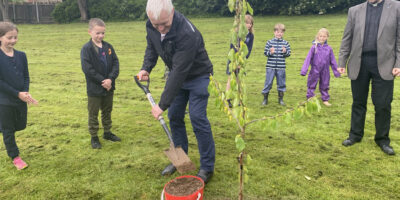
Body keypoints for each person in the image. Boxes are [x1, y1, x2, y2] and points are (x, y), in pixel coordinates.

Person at [137, 0, 215, 184]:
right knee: (175, 116)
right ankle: (181, 158)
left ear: (172, 11)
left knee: (197, 118)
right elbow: (152, 46)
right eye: (156, 25)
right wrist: (146, 67)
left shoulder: (187, 33)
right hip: (178, 76)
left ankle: (207, 168)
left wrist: (161, 104)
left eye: (165, 23)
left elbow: (179, 71)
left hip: (199, 76)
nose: (161, 28)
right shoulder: (152, 25)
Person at [338, 0, 400, 155]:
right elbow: (347, 38)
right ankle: (355, 135)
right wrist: (342, 61)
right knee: (358, 102)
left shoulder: (396, 7)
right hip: (359, 63)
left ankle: (382, 140)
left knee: (383, 104)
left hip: (385, 63)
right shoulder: (354, 11)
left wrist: (398, 62)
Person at [0, 22, 38, 170]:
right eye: (9, 37)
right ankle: (15, 157)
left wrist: (25, 92)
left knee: (20, 125)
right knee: (8, 129)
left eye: (15, 37)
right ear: (1, 38)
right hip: (4, 100)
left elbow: (26, 76)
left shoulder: (22, 56)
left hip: (21, 98)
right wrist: (17, 94)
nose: (13, 40)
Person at [81, 18, 120, 149]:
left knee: (107, 110)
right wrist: (102, 81)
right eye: (97, 33)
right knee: (93, 113)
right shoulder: (86, 49)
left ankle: (107, 133)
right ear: (90, 32)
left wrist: (110, 79)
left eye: (103, 33)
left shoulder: (108, 47)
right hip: (94, 88)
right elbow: (88, 69)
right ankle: (94, 137)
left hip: (109, 87)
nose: (100, 36)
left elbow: (115, 63)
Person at [301, 28, 341, 106]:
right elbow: (308, 59)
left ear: (327, 37)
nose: (322, 38)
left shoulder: (329, 49)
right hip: (314, 70)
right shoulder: (314, 47)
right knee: (311, 84)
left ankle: (325, 99)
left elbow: (333, 61)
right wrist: (304, 71)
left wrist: (336, 72)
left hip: (325, 70)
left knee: (325, 84)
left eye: (324, 36)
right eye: (320, 36)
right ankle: (310, 98)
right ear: (317, 37)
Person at [226, 14, 254, 108]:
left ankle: (238, 99)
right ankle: (227, 99)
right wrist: (235, 61)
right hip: (233, 60)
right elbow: (232, 47)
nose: (249, 25)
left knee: (239, 79)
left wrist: (242, 61)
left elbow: (249, 49)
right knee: (231, 78)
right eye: (247, 23)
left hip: (242, 61)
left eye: (250, 24)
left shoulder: (250, 36)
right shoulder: (237, 34)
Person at [261, 23, 291, 106]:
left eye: (281, 32)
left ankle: (280, 99)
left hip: (281, 67)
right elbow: (265, 53)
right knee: (268, 82)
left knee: (281, 83)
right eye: (277, 32)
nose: (279, 33)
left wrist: (285, 52)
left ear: (283, 33)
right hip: (270, 67)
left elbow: (288, 54)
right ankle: (265, 98)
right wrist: (270, 52)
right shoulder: (269, 42)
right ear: (274, 32)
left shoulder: (286, 43)